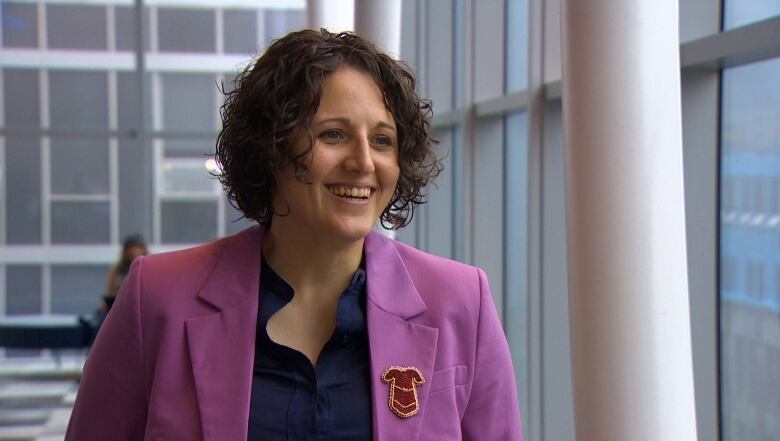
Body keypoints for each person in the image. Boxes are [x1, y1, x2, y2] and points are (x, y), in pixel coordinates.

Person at [65, 29, 523, 441]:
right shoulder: (158, 299)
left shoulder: (461, 303)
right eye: (334, 134)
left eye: (382, 140)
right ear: (272, 149)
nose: (364, 161)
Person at [101, 234, 148, 313]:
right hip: (119, 307)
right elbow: (109, 293)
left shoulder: (148, 268)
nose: (133, 252)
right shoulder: (117, 270)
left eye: (136, 248)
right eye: (130, 249)